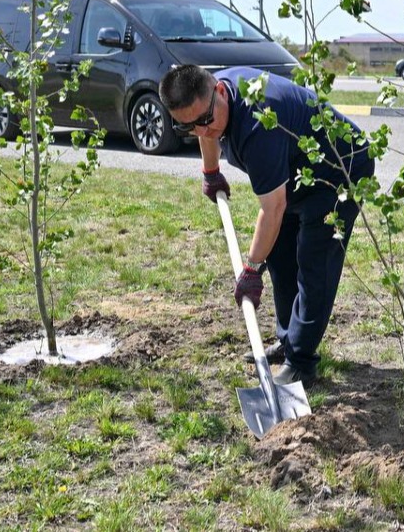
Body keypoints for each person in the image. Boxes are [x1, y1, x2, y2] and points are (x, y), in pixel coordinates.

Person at [158, 65, 374, 387]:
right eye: (188, 128)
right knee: (279, 254)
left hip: (338, 171)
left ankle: (301, 361)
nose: (201, 132)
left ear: (219, 92)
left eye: (204, 121)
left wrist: (250, 270)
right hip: (298, 170)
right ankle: (288, 340)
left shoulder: (258, 122)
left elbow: (272, 210)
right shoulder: (209, 102)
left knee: (314, 264)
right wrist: (210, 171)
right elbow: (204, 128)